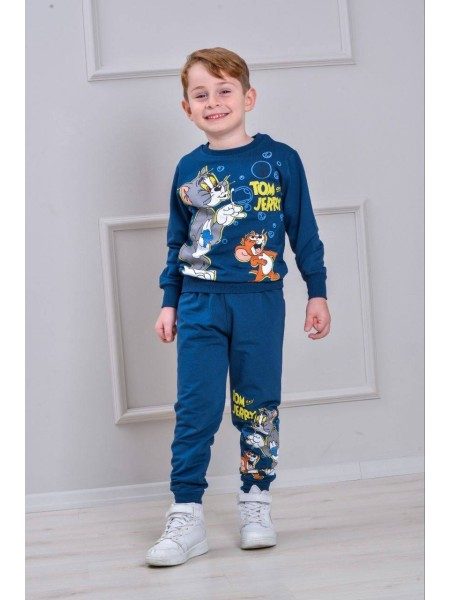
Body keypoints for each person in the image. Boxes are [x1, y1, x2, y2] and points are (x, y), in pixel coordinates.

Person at [146, 47, 331, 567]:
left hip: (260, 304)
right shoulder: (189, 168)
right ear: (187, 108)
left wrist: (317, 291)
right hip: (199, 303)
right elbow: (178, 241)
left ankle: (256, 502)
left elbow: (304, 231)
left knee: (258, 406)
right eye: (201, 94)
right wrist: (169, 302)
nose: (214, 102)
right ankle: (186, 514)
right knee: (196, 410)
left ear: (248, 97)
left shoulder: (281, 160)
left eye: (224, 90)